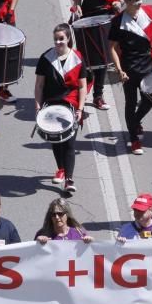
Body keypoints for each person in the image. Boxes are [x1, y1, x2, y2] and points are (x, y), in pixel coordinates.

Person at [72, 0, 130, 111]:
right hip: (88, 16)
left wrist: (120, 3)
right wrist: (77, 6)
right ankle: (81, 89)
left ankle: (98, 95)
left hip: (109, 17)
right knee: (86, 57)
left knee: (103, 58)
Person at [110, 0, 152, 155]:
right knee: (130, 103)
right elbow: (112, 48)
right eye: (135, 1)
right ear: (126, 1)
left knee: (149, 100)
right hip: (129, 67)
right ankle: (134, 140)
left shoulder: (149, 12)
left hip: (147, 63)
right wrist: (119, 70)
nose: (139, 3)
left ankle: (135, 121)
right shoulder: (118, 21)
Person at [35, 23, 87, 192]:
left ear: (68, 39)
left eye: (61, 39)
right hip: (51, 104)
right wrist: (37, 106)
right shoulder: (46, 58)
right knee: (56, 141)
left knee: (70, 143)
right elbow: (39, 85)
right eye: (56, 39)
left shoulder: (77, 58)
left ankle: (69, 180)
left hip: (70, 104)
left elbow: (82, 87)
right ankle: (61, 169)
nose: (58, 42)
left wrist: (80, 108)